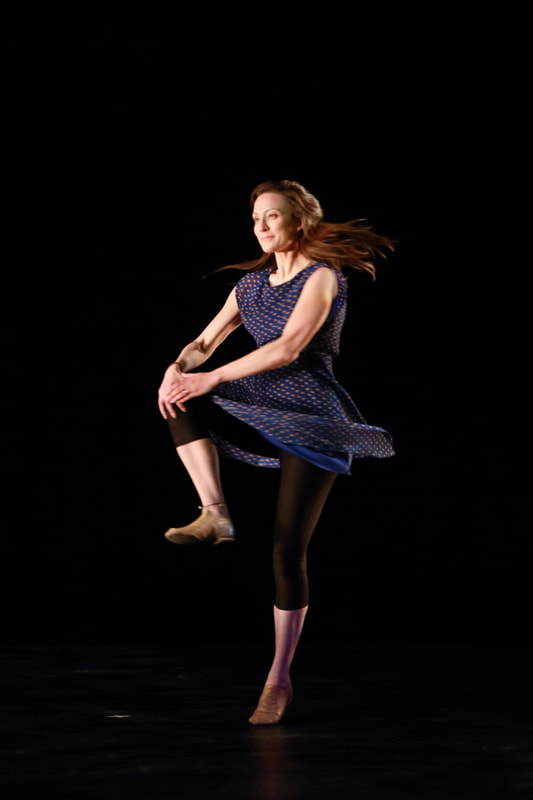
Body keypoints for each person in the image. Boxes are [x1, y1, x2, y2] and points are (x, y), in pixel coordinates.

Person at [157, 179, 395, 725]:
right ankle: (214, 513)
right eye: (255, 218)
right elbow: (204, 344)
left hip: (312, 416)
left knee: (287, 551)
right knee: (179, 399)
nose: (260, 226)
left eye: (272, 216)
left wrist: (209, 377)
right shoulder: (250, 286)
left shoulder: (323, 277)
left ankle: (279, 680)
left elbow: (288, 348)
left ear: (299, 221)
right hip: (257, 400)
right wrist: (178, 368)